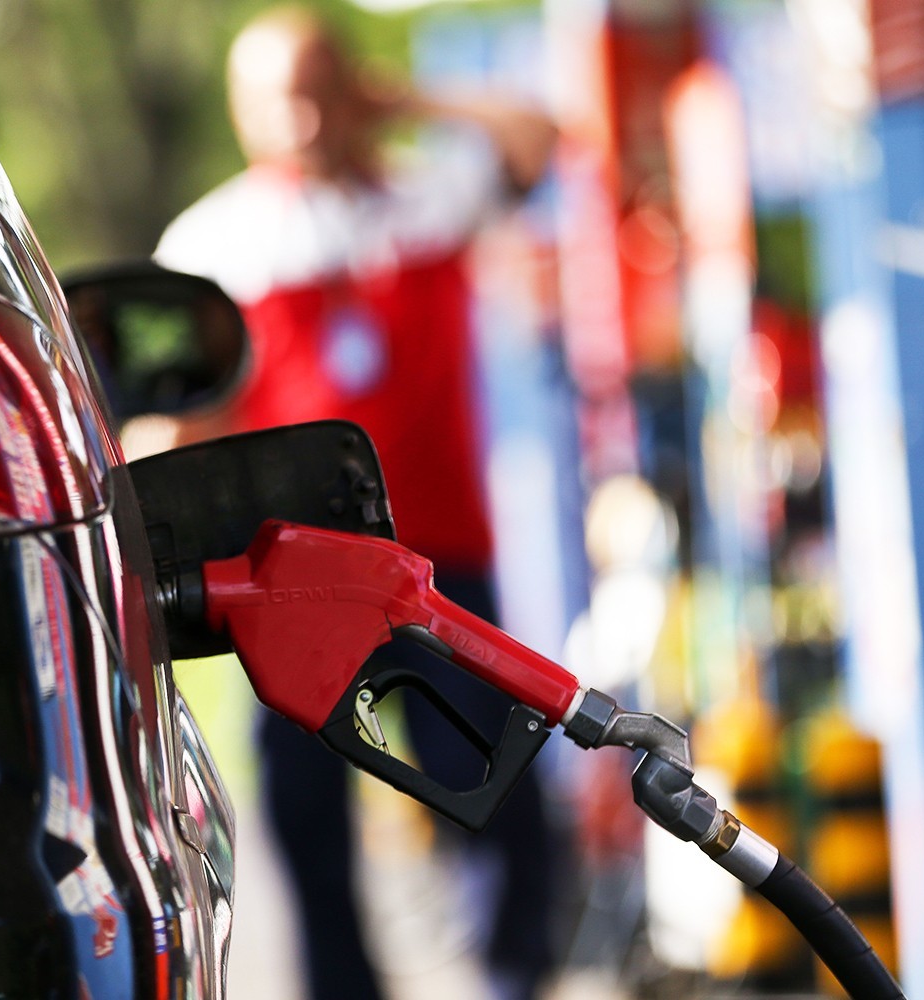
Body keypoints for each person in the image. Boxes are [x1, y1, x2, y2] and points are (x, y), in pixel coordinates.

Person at [156, 8, 559, 1000]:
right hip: (295, 578)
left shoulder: (425, 197)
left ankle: (514, 969)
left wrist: (406, 98)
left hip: (437, 549)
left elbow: (535, 137)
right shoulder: (217, 242)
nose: (299, 120)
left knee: (495, 769)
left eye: (318, 91)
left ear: (353, 91)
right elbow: (173, 417)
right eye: (274, 101)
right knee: (306, 806)